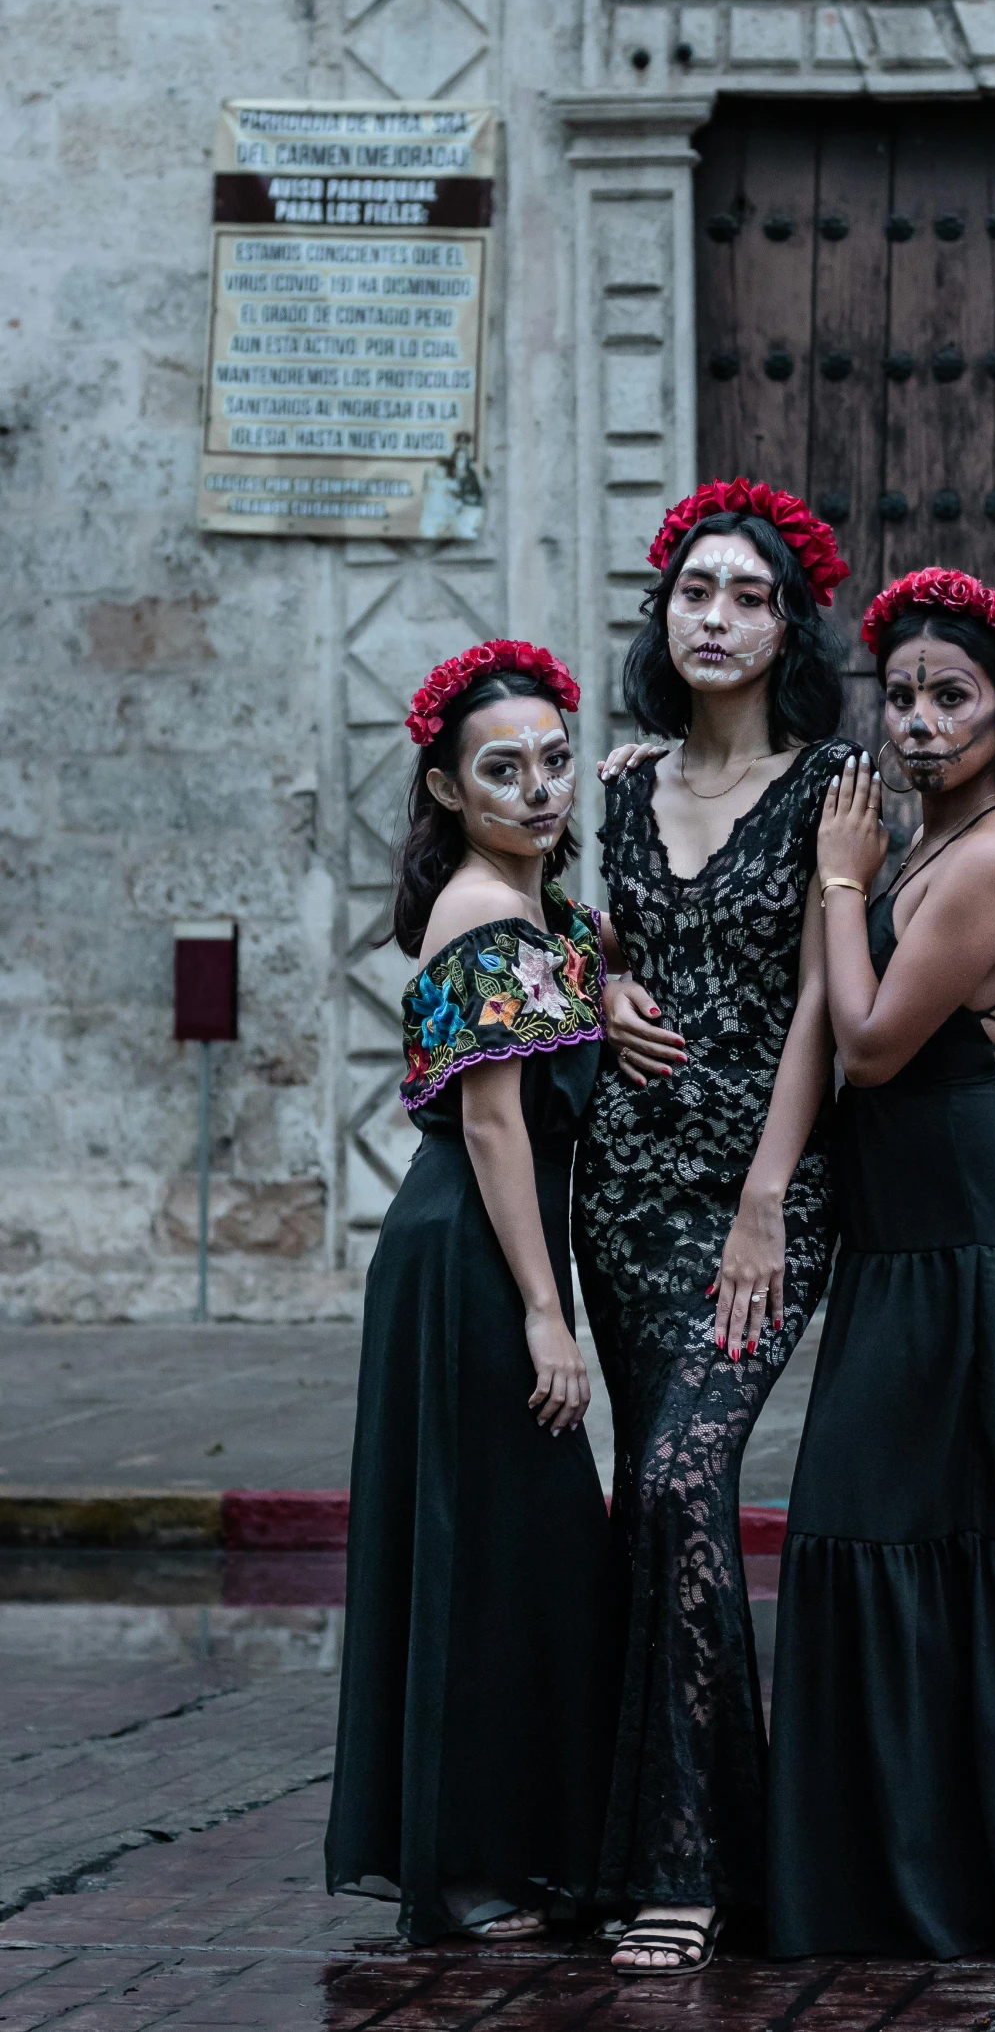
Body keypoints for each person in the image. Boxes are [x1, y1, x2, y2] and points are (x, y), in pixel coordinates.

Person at [768, 567, 995, 1960]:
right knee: (867, 1536)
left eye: (950, 697)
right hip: (906, 1239)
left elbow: (867, 1041)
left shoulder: (994, 855)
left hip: (971, 1250)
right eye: (903, 695)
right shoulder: (928, 842)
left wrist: (840, 880)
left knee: (949, 1547)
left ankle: (970, 1882)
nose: (918, 721)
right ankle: (880, 1877)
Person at [570, 478, 858, 1977]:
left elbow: (824, 996)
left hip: (763, 1195)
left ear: (787, 624)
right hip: (620, 1189)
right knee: (648, 1503)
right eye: (697, 590)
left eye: (748, 595)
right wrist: (602, 990)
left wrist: (764, 1197)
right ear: (663, 612)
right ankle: (657, 1842)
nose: (719, 615)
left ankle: (694, 1864)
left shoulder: (835, 787)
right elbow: (594, 941)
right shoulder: (618, 783)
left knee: (689, 1478)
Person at [325, 640, 616, 1946]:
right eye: (504, 769)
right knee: (488, 1550)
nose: (541, 786)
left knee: (526, 1546)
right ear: (446, 789)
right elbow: (497, 1130)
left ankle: (513, 1846)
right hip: (468, 1258)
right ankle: (463, 1868)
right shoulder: (480, 912)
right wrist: (548, 1316)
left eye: (556, 759)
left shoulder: (543, 909)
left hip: (485, 1252)